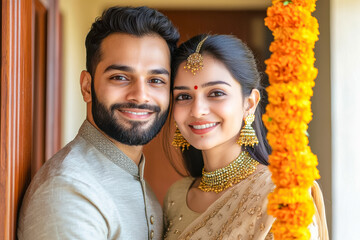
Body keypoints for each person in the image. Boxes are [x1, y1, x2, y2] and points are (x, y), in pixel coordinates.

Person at [18, 6, 179, 240]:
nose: (140, 95)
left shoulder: (133, 176)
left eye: (156, 80)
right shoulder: (70, 190)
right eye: (120, 78)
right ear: (87, 87)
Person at [163, 34, 328, 240]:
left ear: (249, 103)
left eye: (216, 93)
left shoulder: (281, 192)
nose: (197, 111)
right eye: (184, 96)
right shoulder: (176, 196)